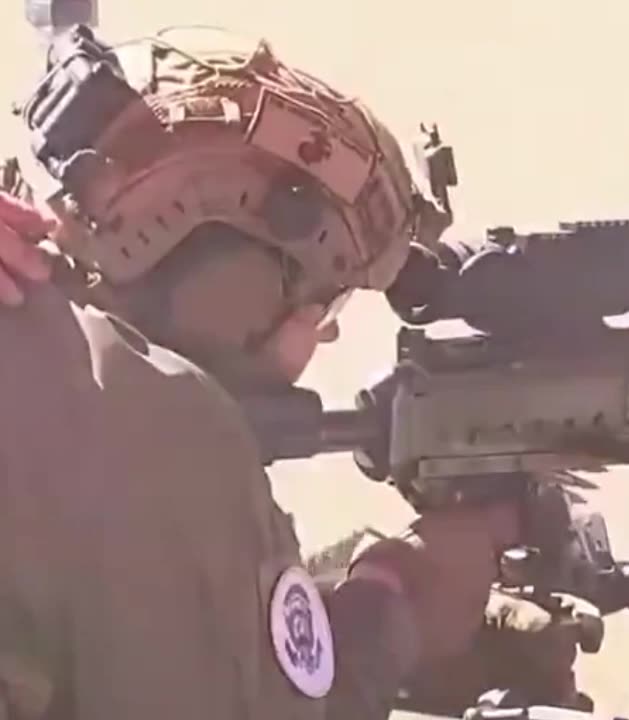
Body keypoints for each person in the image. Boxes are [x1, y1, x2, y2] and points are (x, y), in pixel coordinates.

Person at [0, 24, 584, 720]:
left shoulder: (42, 352)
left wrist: (349, 593)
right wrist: (394, 596)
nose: (326, 329)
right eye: (323, 300)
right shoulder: (160, 425)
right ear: (232, 294)